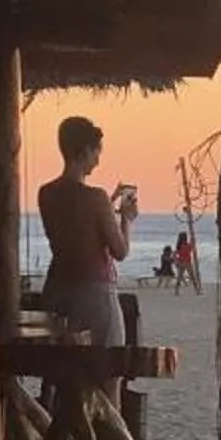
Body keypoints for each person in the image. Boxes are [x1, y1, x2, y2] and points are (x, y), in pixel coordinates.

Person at [38, 116, 135, 357]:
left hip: (58, 288)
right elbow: (120, 251)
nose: (98, 160)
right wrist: (126, 219)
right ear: (84, 151)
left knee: (63, 366)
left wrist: (109, 205)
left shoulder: (46, 193)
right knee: (107, 365)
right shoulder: (96, 197)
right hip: (94, 291)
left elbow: (76, 225)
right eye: (96, 152)